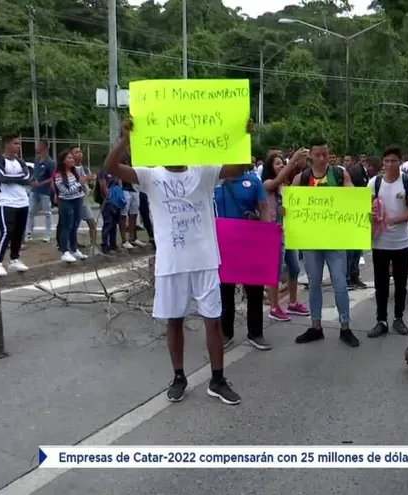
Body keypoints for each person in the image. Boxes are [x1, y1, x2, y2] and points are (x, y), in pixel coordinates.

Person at [104, 118, 247, 406]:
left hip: (205, 260)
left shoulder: (203, 172)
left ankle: (217, 379)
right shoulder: (150, 176)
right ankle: (179, 377)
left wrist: (241, 135)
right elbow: (111, 168)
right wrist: (125, 140)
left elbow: (238, 168)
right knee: (174, 322)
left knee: (214, 322)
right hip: (171, 264)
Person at [291, 137, 360, 348]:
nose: (322, 158)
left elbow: (352, 194)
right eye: (318, 154)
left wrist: (345, 194)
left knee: (340, 283)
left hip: (334, 239)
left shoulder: (339, 174)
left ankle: (345, 327)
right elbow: (290, 201)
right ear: (311, 155)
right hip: (311, 240)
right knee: (314, 285)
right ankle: (316, 327)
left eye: (325, 154)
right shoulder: (302, 177)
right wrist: (287, 209)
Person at [213, 158, 272, 351]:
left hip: (249, 243)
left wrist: (268, 235)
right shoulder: (213, 182)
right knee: (225, 291)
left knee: (254, 290)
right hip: (222, 244)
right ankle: (225, 332)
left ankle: (255, 333)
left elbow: (263, 208)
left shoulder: (253, 181)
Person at [367, 146, 408, 338]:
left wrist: (393, 220)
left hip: (401, 242)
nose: (389, 164)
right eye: (386, 161)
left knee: (400, 283)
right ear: (383, 162)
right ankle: (381, 320)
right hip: (379, 242)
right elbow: (365, 207)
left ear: (400, 161)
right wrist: (371, 215)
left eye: (393, 161)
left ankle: (399, 317)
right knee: (380, 284)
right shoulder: (374, 183)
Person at [262, 149, 310, 322]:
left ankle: (292, 302)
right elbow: (275, 182)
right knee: (274, 271)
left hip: (287, 232)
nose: (281, 165)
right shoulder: (268, 183)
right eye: (277, 163)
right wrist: (293, 160)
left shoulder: (285, 187)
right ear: (269, 167)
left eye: (282, 162)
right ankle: (274, 307)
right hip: (274, 232)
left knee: (295, 268)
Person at [0, 134, 34, 276]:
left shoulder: (20, 162)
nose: (18, 146)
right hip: (6, 201)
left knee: (18, 232)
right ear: (7, 144)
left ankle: (14, 259)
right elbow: (2, 177)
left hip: (22, 200)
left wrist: (16, 179)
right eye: (16, 143)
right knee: (6, 232)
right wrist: (19, 178)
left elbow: (28, 178)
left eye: (19, 144)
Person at [53, 150, 88, 263]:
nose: (72, 160)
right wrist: (80, 183)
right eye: (69, 158)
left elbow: (79, 187)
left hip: (78, 200)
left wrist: (83, 185)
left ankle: (74, 249)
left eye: (72, 158)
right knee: (67, 226)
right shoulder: (59, 175)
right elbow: (65, 191)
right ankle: (65, 251)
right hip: (66, 202)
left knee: (75, 225)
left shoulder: (74, 172)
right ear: (63, 161)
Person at [346, 147, 371, 290]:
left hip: (359, 212)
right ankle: (350, 277)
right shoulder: (355, 171)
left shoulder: (358, 171)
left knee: (356, 250)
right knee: (351, 250)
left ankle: (353, 277)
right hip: (353, 213)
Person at [25, 140, 55, 243]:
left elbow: (53, 177)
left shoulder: (51, 162)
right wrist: (32, 179)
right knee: (30, 211)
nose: (36, 147)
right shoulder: (37, 159)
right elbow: (35, 172)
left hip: (45, 191)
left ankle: (47, 234)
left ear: (45, 147)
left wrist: (42, 183)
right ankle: (28, 233)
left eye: (39, 145)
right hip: (34, 190)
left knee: (47, 212)